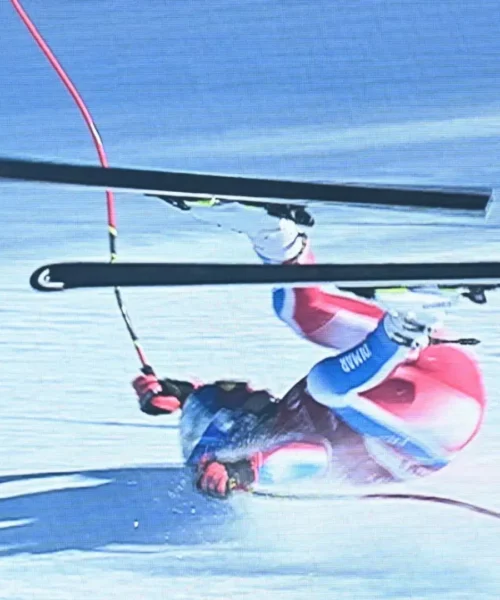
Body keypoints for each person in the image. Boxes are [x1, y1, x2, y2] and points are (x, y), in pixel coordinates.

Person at [132, 201, 487, 499]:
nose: (247, 398)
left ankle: (275, 236)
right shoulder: (287, 452)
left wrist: (183, 394)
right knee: (325, 385)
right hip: (433, 428)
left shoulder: (275, 416)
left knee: (303, 312)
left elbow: (223, 399)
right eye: (240, 411)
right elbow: (306, 458)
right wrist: (244, 471)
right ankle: (408, 323)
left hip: (430, 357)